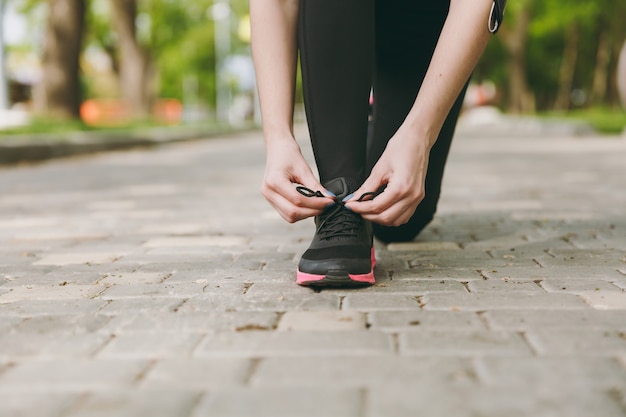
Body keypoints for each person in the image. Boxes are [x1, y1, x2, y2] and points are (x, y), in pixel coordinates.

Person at [250, 0, 506, 287]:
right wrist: (277, 139)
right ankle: (342, 187)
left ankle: (373, 117)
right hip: (338, 14)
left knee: (398, 217)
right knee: (361, 199)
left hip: (429, 22)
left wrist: (419, 136)